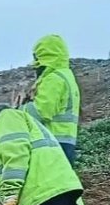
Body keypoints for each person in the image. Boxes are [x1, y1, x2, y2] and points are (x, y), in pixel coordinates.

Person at [22, 35, 81, 164]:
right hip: (65, 143)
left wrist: (21, 109)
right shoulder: (66, 75)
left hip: (52, 142)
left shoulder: (53, 79)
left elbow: (40, 112)